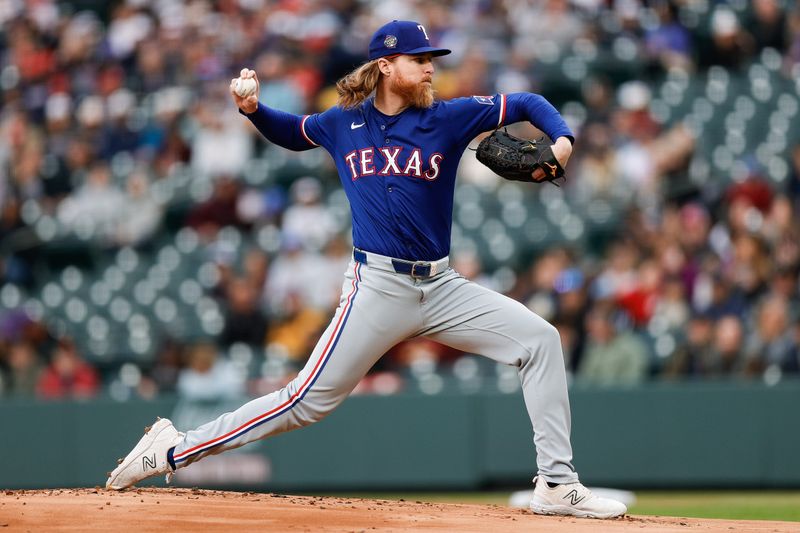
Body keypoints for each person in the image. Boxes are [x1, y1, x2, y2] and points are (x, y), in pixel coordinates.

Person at [106, 20, 626, 519]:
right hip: (377, 286)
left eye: (431, 60)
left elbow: (529, 102)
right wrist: (253, 110)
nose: (429, 68)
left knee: (540, 341)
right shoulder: (342, 122)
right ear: (384, 65)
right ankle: (174, 449)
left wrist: (562, 139)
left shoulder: (447, 116)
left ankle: (557, 483)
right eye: (418, 60)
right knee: (304, 403)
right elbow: (293, 132)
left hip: (441, 286)